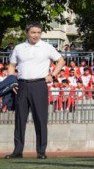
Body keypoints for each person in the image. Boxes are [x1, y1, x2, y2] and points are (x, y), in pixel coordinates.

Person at [5, 22, 65, 159]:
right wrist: (11, 81)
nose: (36, 35)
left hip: (39, 85)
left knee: (40, 119)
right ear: (27, 33)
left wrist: (53, 75)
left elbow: (61, 61)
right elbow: (12, 65)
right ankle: (17, 151)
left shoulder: (47, 47)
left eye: (38, 32)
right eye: (33, 32)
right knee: (20, 119)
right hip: (21, 85)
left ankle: (41, 151)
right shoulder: (19, 48)